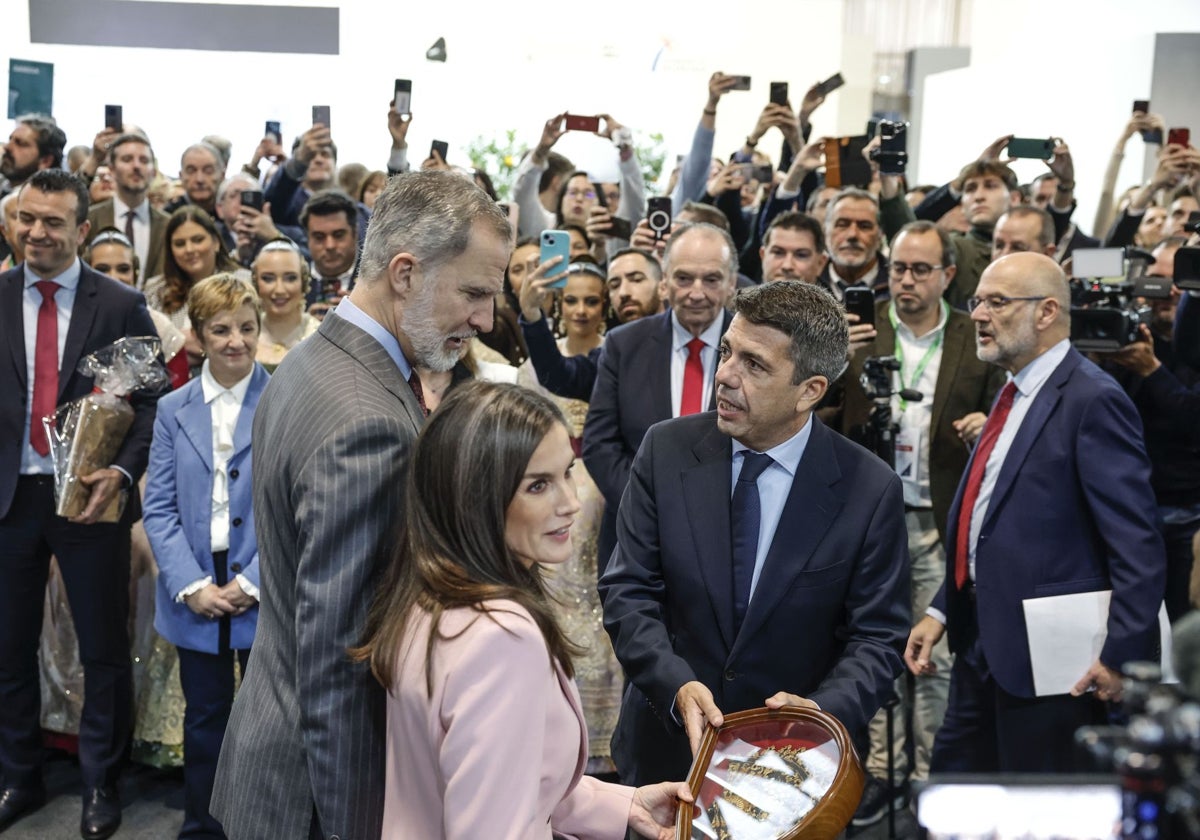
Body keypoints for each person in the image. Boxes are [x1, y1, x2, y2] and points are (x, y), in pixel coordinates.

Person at [212, 170, 512, 840]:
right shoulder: (366, 421)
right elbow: (341, 664)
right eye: (473, 293)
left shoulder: (314, 359)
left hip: (279, 759)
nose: (486, 319)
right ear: (405, 273)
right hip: (318, 798)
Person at [598, 280, 910, 785]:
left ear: (809, 390)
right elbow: (628, 589)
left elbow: (878, 637)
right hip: (666, 755)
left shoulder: (869, 489)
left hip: (793, 773)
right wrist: (675, 684)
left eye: (754, 364)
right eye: (727, 352)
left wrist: (818, 716)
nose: (724, 376)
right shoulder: (666, 450)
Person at [352, 380, 690, 839]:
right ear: (476, 499)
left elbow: (508, 785)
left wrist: (625, 802)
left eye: (568, 472)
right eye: (538, 486)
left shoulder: (429, 594)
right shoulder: (502, 636)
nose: (570, 503)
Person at [905, 253, 1168, 773]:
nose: (978, 314)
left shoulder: (1093, 399)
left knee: (1036, 814)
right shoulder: (1013, 390)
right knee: (952, 804)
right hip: (980, 644)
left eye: (997, 302)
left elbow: (1137, 544)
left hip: (1054, 665)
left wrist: (1121, 657)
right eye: (977, 301)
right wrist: (942, 608)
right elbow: (987, 523)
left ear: (1047, 312)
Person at [0, 169, 164, 837]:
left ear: (81, 231)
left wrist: (123, 475)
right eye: (26, 218)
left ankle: (102, 782)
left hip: (91, 500)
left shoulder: (121, 304)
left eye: (52, 222)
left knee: (103, 648)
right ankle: (20, 776)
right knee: (9, 649)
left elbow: (153, 402)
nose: (36, 232)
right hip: (9, 500)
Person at [829, 222, 1006, 824]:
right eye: (899, 267)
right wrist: (842, 362)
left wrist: (988, 418)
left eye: (920, 269)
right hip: (868, 516)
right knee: (872, 644)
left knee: (935, 653)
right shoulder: (859, 328)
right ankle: (878, 771)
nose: (906, 279)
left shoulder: (971, 334)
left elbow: (1005, 409)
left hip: (940, 515)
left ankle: (929, 775)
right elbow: (827, 412)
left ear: (948, 276)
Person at [143, 274, 268, 840]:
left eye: (246, 328)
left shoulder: (284, 399)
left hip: (263, 583)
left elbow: (299, 507)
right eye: (221, 330)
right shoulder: (173, 409)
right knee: (205, 718)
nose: (236, 341)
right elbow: (161, 508)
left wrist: (257, 581)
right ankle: (204, 826)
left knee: (268, 722)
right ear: (196, 335)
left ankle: (267, 823)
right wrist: (191, 584)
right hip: (198, 582)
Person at [517, 260, 622, 774]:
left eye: (592, 300)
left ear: (605, 305)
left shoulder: (615, 356)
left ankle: (604, 744)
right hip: (548, 495)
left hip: (602, 493)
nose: (581, 310)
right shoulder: (538, 366)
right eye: (572, 300)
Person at [583, 223, 737, 571]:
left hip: (728, 541)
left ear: (732, 283)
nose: (697, 292)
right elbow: (599, 443)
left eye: (711, 280)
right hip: (636, 542)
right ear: (664, 282)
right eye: (684, 279)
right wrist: (653, 506)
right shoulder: (624, 345)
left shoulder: (756, 347)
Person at [144, 206, 244, 336]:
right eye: (180, 244)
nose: (189, 249)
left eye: (198, 240)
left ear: (216, 242)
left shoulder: (243, 282)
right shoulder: (155, 291)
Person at [251, 239, 320, 371]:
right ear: (256, 283)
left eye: (290, 278)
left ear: (303, 282)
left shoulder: (318, 335)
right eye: (268, 278)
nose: (279, 290)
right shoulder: (245, 334)